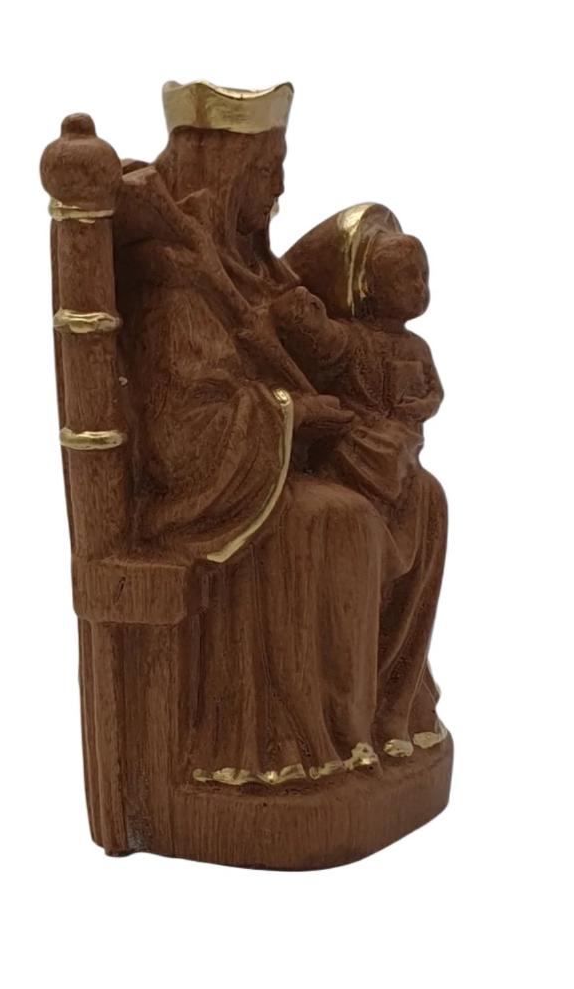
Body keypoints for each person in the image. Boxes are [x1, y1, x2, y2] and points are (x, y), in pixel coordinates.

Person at [111, 81, 447, 783]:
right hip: (220, 490)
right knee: (342, 522)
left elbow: (321, 350)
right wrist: (294, 417)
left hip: (282, 459)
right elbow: (182, 431)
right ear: (227, 177)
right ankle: (300, 742)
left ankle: (389, 711)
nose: (281, 189)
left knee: (425, 499)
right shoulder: (172, 278)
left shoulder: (251, 270)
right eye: (268, 171)